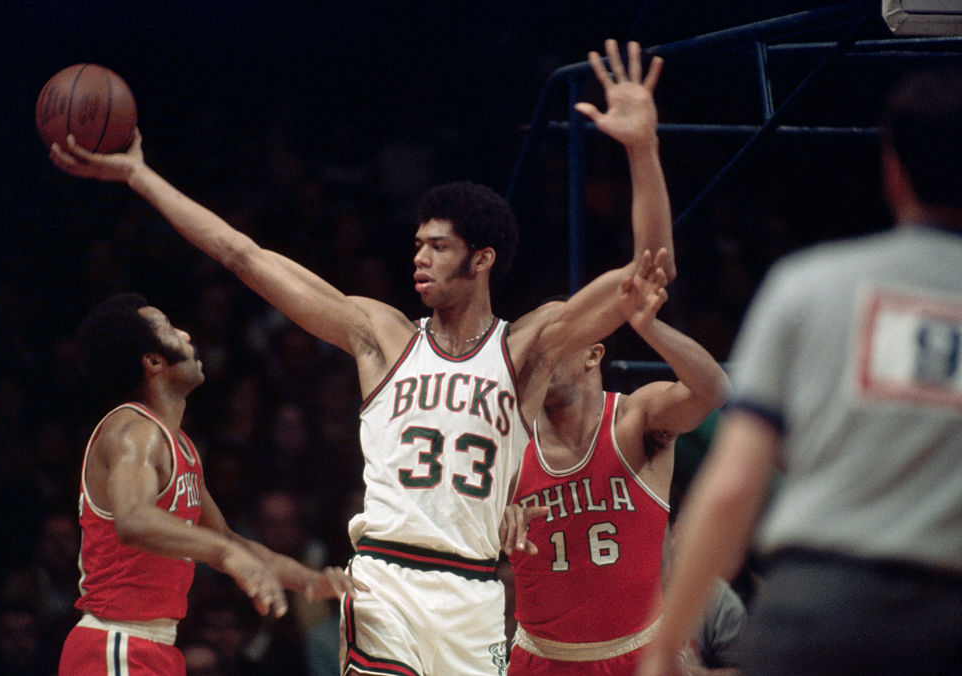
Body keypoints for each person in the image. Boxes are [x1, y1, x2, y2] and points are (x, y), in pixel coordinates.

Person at [50, 40, 671, 676]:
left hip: (474, 595)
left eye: (438, 247)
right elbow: (243, 255)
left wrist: (642, 148)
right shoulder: (382, 335)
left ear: (481, 259)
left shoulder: (527, 347)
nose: (419, 257)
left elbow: (648, 272)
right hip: (386, 584)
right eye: (417, 245)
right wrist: (140, 176)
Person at [637, 67, 962, 676]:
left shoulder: (809, 286)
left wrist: (663, 646)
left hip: (820, 612)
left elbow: (734, 486)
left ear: (892, 170)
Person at [58, 293, 365, 675]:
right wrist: (227, 555)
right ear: (153, 361)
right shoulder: (134, 430)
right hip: (115, 643)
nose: (186, 335)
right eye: (169, 329)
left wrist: (310, 581)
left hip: (153, 645)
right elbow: (134, 520)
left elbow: (226, 538)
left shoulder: (181, 446)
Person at [500, 262, 729, 674]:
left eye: (554, 340)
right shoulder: (508, 438)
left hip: (639, 654)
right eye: (533, 345)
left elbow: (715, 391)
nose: (539, 354)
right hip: (541, 659)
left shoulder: (636, 419)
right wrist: (495, 519)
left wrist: (650, 327)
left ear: (593, 354)